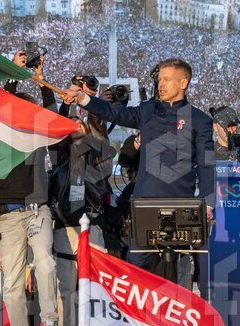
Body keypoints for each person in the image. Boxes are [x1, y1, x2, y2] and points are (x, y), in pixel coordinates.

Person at [62, 58, 215, 285]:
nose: (161, 84)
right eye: (160, 79)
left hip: (181, 205)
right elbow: (114, 113)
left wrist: (208, 204)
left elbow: (207, 164)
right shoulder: (148, 111)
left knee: (179, 273)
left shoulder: (200, 120)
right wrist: (83, 98)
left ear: (183, 83)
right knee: (136, 269)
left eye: (167, 79)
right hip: (145, 204)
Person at [0, 51, 59, 326]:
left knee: (45, 262)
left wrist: (41, 80)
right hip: (9, 215)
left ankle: (50, 323)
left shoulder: (38, 134)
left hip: (37, 210)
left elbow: (52, 115)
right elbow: (3, 106)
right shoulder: (1, 135)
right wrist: (13, 72)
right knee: (12, 280)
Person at [50, 112, 116, 326]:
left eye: (79, 123)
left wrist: (92, 108)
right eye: (70, 124)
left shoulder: (97, 158)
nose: (76, 125)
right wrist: (65, 103)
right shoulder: (59, 159)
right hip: (65, 228)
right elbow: (54, 123)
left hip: (92, 225)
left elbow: (103, 143)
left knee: (96, 287)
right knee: (66, 289)